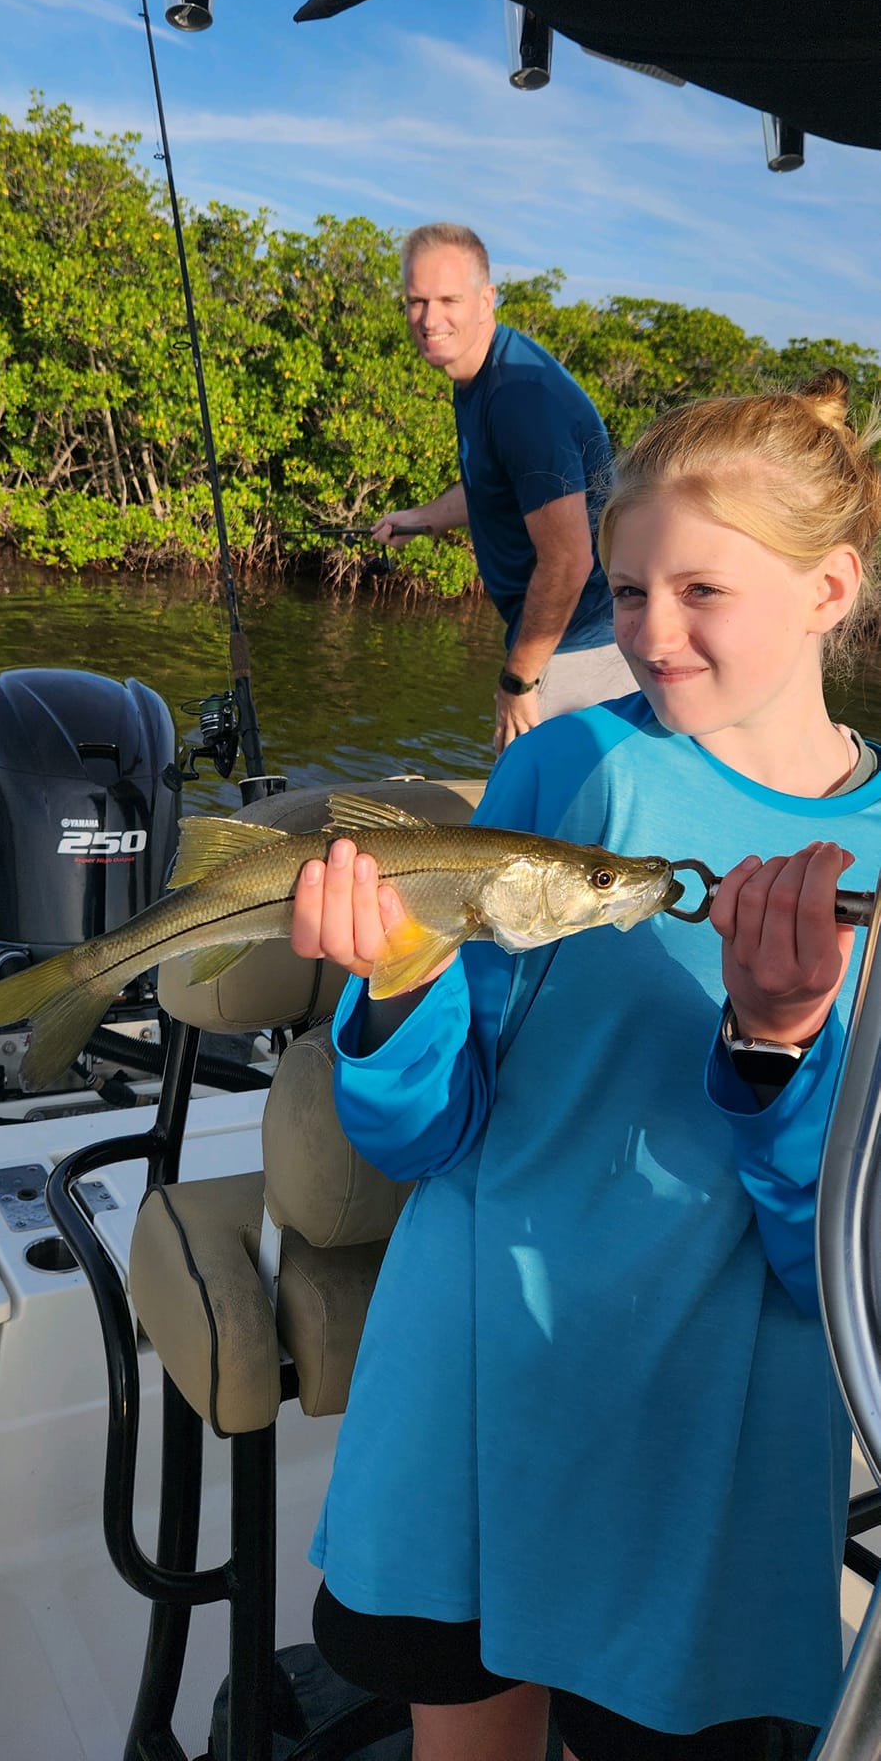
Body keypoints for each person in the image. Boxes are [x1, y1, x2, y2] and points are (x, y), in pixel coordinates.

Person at [291, 372, 881, 1761]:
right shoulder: (563, 766)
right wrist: (396, 980)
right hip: (472, 1368)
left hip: (708, 1426)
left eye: (700, 590)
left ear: (829, 588)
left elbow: (833, 1262)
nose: (648, 635)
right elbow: (428, 1131)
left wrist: (777, 1042)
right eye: (623, 592)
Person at [373, 222, 629, 752]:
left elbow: (568, 562)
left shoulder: (519, 396)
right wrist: (422, 519)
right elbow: (498, 487)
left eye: (449, 300)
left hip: (582, 646)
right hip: (568, 642)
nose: (429, 319)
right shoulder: (481, 373)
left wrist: (518, 680)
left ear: (486, 299)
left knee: (532, 796)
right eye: (417, 301)